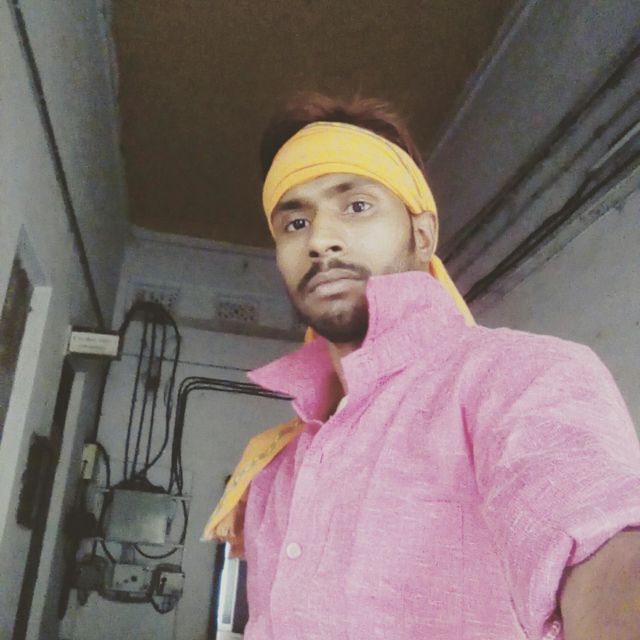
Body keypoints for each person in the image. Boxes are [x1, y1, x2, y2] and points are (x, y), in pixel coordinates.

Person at [204, 93, 640, 639]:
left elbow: (605, 547)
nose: (320, 240)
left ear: (423, 233)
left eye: (356, 206)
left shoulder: (518, 377)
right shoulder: (278, 468)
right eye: (295, 222)